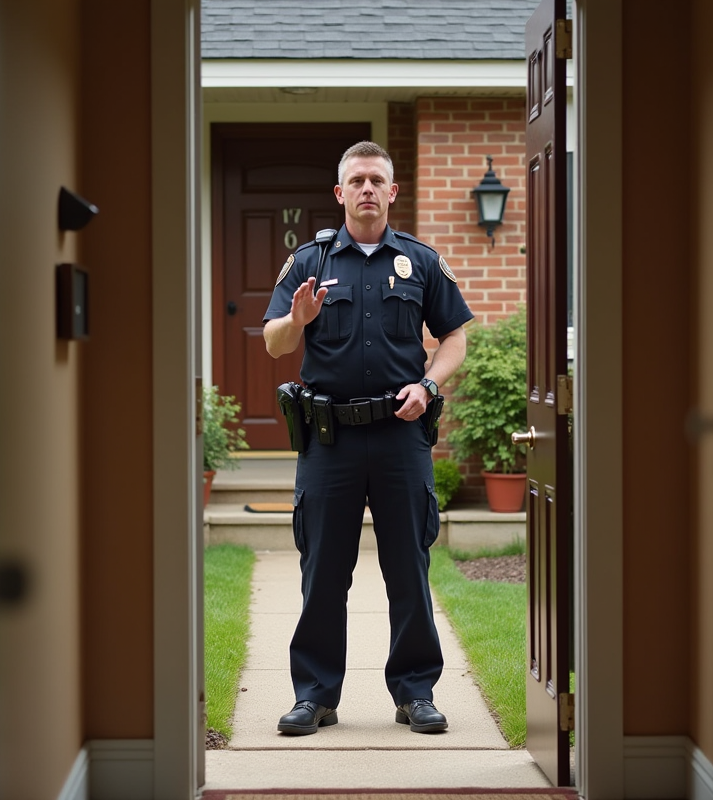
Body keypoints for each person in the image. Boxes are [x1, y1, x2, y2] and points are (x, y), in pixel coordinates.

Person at [262, 141, 473, 736]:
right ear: (339, 193)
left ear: (392, 191)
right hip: (328, 440)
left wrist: (428, 386)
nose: (367, 190)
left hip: (401, 436)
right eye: (356, 180)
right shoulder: (308, 262)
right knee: (323, 568)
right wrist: (297, 320)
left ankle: (415, 692)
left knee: (408, 565)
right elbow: (275, 343)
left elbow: (455, 336)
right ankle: (315, 695)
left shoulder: (421, 261)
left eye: (377, 180)